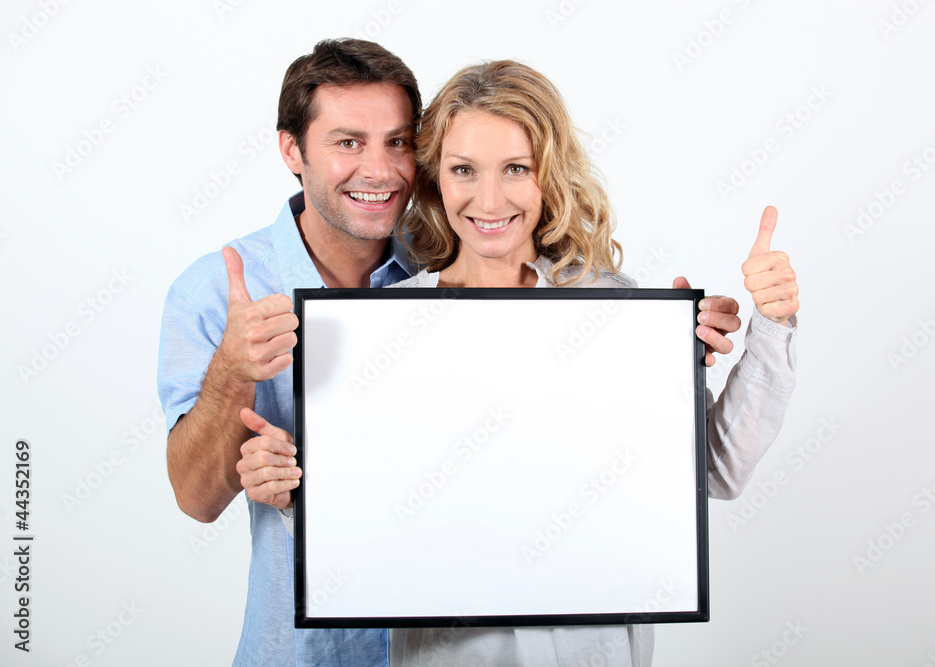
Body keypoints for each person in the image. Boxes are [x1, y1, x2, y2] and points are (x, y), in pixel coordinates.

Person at [242, 60, 798, 667]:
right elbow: (371, 533)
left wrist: (769, 324)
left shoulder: (612, 309)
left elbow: (717, 470)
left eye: (515, 169)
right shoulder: (384, 327)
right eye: (463, 171)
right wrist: (294, 493)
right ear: (435, 181)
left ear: (548, 176)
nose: (489, 199)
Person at [157, 38, 422, 666]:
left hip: (442, 649)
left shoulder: (448, 272)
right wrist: (233, 370)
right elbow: (195, 499)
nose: (380, 170)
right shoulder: (214, 289)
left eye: (399, 142)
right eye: (348, 142)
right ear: (291, 150)